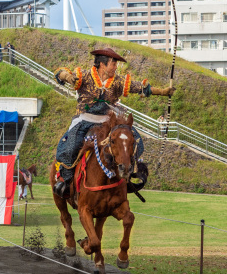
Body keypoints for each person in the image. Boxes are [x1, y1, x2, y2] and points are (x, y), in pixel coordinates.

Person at [52, 47, 175, 197]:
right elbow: (59, 73)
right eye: (113, 64)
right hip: (84, 119)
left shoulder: (117, 81)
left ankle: (128, 175)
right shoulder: (83, 75)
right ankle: (66, 182)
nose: (116, 67)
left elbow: (139, 88)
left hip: (107, 121)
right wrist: (67, 76)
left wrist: (163, 92)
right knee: (71, 145)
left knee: (134, 140)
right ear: (103, 64)